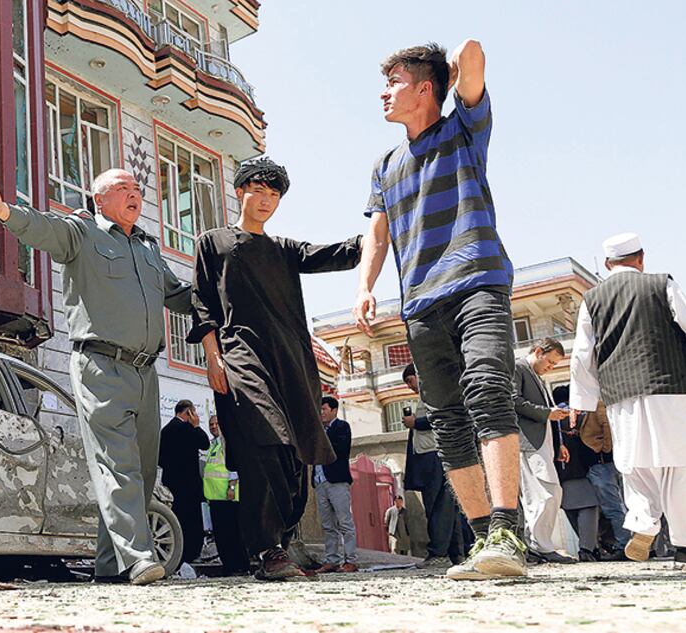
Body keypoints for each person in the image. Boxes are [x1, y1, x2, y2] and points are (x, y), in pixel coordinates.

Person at [354, 40, 525, 580]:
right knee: (448, 419)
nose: (384, 92)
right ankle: (483, 541)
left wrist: (448, 69)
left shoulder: (463, 130)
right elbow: (376, 236)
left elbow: (473, 53)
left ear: (427, 86)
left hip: (477, 279)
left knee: (489, 389)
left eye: (396, 81)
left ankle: (507, 531)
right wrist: (365, 287)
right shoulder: (384, 165)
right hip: (420, 301)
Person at [0, 169, 191, 585]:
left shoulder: (147, 248)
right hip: (101, 365)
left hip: (145, 371)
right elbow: (42, 228)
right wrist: (3, 211)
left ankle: (110, 568)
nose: (134, 196)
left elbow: (176, 294)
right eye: (123, 189)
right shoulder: (82, 233)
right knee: (117, 464)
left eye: (138, 191)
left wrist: (222, 291)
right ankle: (139, 557)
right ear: (99, 199)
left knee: (142, 472)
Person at [188, 157, 363, 580]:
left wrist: (383, 227)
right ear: (239, 191)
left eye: (274, 194)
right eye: (258, 190)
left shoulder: (285, 250)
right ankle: (266, 550)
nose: (265, 200)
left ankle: (281, 543)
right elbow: (202, 304)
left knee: (292, 455)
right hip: (240, 355)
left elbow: (342, 254)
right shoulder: (214, 242)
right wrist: (213, 357)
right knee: (263, 439)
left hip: (293, 363)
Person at [569, 233, 686, 566]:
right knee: (678, 466)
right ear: (641, 258)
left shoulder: (592, 299)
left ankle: (642, 521)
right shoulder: (661, 283)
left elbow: (581, 355)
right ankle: (683, 543)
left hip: (620, 394)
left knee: (634, 465)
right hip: (672, 387)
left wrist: (584, 401)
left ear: (607, 265)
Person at [512, 339, 574, 564]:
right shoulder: (518, 368)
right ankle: (539, 545)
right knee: (542, 494)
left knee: (548, 493)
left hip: (542, 443)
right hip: (528, 443)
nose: (551, 367)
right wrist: (547, 413)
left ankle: (539, 544)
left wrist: (559, 444)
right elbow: (513, 400)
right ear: (538, 352)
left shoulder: (536, 375)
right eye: (550, 362)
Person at [402, 364, 464, 568]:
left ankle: (439, 553)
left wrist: (416, 423)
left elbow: (441, 416)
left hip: (435, 455)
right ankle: (455, 554)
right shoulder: (427, 394)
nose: (410, 386)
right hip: (429, 456)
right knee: (446, 507)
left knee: (438, 506)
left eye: (410, 381)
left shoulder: (434, 392)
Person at [551, 386, 601, 562]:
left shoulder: (553, 418)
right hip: (577, 470)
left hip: (559, 472)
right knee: (588, 506)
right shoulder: (571, 416)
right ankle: (587, 549)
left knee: (571, 508)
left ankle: (588, 547)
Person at [159, 400, 210, 567]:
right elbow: (205, 444)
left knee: (177, 518)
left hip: (172, 483)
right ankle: (191, 552)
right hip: (189, 484)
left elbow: (160, 459)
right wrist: (196, 426)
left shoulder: (165, 430)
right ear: (188, 412)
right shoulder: (188, 429)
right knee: (192, 520)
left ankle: (177, 553)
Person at [577, 401, 630, 558]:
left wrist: (604, 448)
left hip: (602, 463)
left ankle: (626, 545)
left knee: (614, 507)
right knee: (618, 505)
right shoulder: (585, 406)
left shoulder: (595, 403)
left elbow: (606, 425)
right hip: (600, 464)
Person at [312, 396, 359, 574]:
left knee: (344, 522)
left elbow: (339, 449)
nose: (321, 413)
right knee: (327, 525)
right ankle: (331, 559)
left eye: (324, 409)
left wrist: (321, 434)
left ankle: (350, 559)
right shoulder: (318, 430)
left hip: (337, 480)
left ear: (333, 410)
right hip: (320, 480)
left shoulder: (341, 427)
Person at [203, 415, 249, 575]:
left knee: (233, 534)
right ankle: (229, 566)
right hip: (215, 498)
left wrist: (231, 486)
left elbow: (234, 467)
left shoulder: (228, 442)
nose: (214, 426)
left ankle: (240, 566)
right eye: (211, 424)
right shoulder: (213, 445)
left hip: (228, 496)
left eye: (217, 423)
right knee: (222, 536)